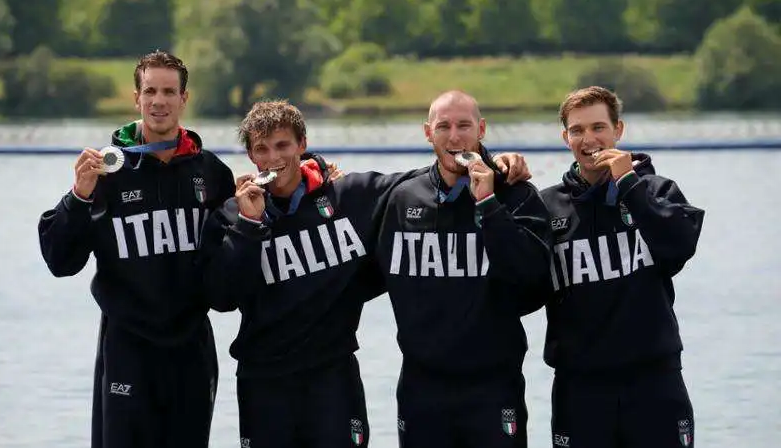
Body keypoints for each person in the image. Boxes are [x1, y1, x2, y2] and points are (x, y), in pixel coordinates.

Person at [198, 99, 530, 448]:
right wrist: (249, 226)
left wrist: (497, 162)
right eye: (261, 149)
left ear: (302, 144)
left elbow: (432, 176)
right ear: (251, 156)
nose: (273, 158)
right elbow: (221, 297)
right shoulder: (233, 213)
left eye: (283, 145)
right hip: (263, 380)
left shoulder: (350, 196)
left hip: (334, 376)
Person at [37, 50, 235, 448]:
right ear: (136, 99)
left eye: (168, 91)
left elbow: (244, 249)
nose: (158, 101)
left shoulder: (211, 173)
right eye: (150, 91)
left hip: (191, 346)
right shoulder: (105, 174)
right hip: (128, 345)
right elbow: (61, 261)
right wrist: (78, 196)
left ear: (184, 99)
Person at [373, 90, 554, 448]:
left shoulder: (516, 195)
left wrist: (488, 203)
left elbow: (533, 279)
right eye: (443, 126)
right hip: (421, 387)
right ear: (428, 133)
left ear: (481, 129)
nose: (454, 136)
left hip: (493, 386)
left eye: (464, 125)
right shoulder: (403, 197)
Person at [540, 86, 705, 448]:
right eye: (577, 130)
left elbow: (680, 245)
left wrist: (628, 183)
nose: (589, 139)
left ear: (619, 130)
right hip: (579, 389)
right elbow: (518, 283)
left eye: (599, 127)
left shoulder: (657, 192)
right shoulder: (547, 207)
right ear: (565, 137)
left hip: (654, 383)